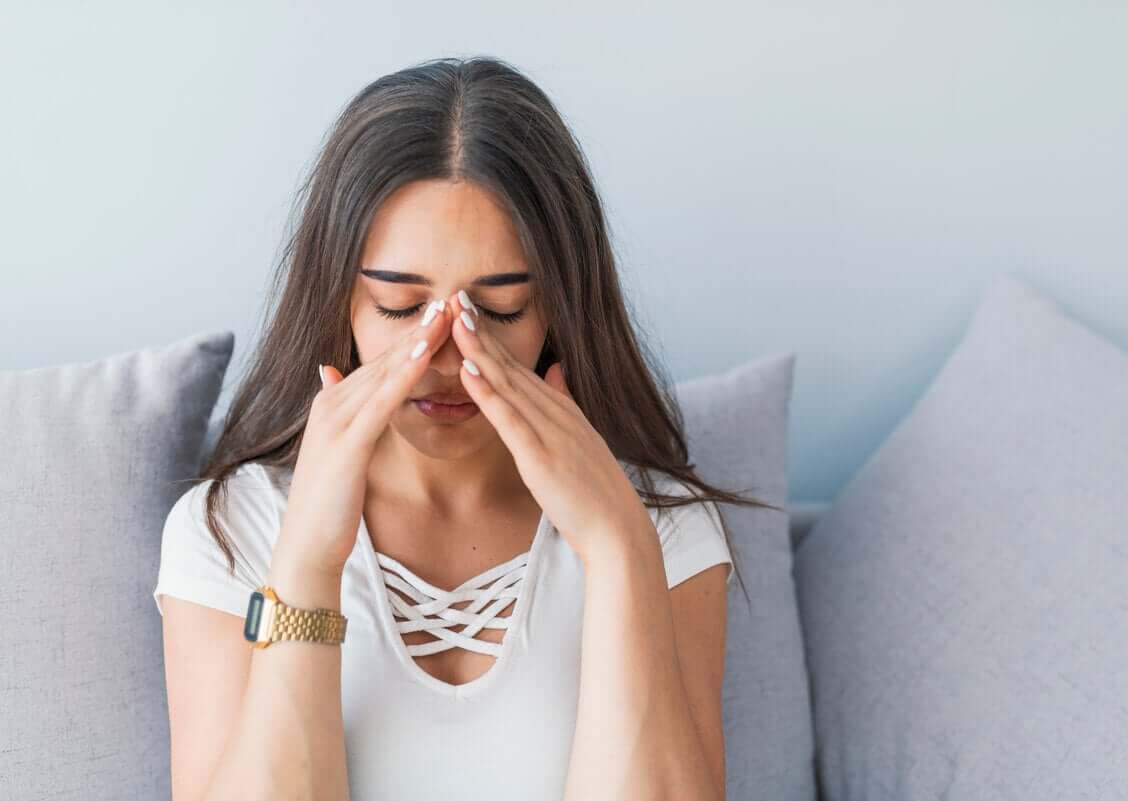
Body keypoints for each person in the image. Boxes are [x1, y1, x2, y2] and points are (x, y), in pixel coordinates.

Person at [153, 55, 770, 801]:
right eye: (401, 307)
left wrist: (618, 549)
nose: (445, 355)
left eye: (501, 311)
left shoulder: (661, 530)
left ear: (558, 310)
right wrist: (309, 562)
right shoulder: (230, 530)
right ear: (340, 302)